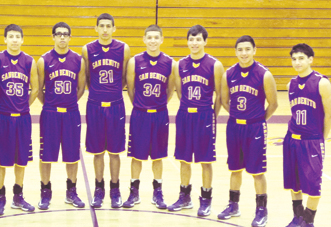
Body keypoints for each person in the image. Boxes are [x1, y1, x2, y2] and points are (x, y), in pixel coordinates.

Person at [219, 35, 278, 227]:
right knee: (235, 168)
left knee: (257, 171)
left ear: (254, 50)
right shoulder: (229, 74)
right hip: (235, 126)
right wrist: (238, 116)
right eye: (240, 50)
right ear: (235, 52)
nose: (244, 53)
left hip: (255, 127)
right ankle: (233, 205)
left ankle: (261, 211)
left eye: (247, 49)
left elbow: (273, 103)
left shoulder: (264, 74)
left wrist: (258, 119)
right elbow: (225, 101)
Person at [280, 43, 331, 227]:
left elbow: (330, 115)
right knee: (294, 182)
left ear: (310, 59)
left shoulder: (321, 83)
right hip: (292, 139)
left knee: (313, 184)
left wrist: (322, 138)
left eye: (301, 58)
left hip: (312, 141)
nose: (297, 62)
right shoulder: (290, 84)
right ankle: (297, 218)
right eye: (294, 59)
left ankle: (309, 222)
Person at [167, 25, 224, 216]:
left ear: (205, 42)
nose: (194, 43)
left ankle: (206, 200)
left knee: (205, 160)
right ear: (187, 41)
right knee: (183, 158)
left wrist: (211, 115)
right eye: (191, 39)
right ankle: (184, 197)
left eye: (198, 39)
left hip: (204, 116)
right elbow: (180, 91)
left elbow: (220, 96)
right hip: (184, 114)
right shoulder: (180, 64)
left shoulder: (215, 64)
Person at [123, 24, 176, 209]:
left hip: (160, 115)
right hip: (140, 114)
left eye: (156, 37)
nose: (153, 41)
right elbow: (130, 88)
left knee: (158, 156)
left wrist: (159, 104)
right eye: (149, 37)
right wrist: (140, 105)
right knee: (136, 156)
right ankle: (134, 192)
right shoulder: (134, 61)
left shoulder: (170, 62)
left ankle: (157, 193)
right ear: (144, 39)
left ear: (162, 40)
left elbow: (170, 90)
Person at [36, 22, 87, 209]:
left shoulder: (78, 60)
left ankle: (71, 192)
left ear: (70, 37)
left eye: (66, 34)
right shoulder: (43, 60)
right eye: (59, 34)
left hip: (71, 113)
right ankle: (45, 192)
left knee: (72, 155)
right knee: (46, 155)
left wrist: (69, 103)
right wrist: (50, 104)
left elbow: (81, 88)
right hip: (50, 113)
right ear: (53, 37)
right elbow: (39, 89)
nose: (62, 37)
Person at [82, 13, 131, 208]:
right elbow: (86, 77)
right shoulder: (87, 49)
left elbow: (126, 77)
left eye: (108, 26)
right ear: (96, 28)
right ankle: (99, 189)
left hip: (116, 105)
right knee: (97, 152)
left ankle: (115, 189)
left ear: (114, 28)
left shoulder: (123, 49)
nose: (104, 29)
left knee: (115, 151)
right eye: (101, 26)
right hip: (94, 105)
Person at [0, 24, 39, 214]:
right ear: (5, 39)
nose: (14, 40)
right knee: (1, 160)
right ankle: (0, 196)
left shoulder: (29, 61)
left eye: (18, 36)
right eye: (11, 36)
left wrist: (23, 105)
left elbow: (35, 88)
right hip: (2, 117)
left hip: (23, 118)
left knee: (21, 159)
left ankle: (18, 196)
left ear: (22, 39)